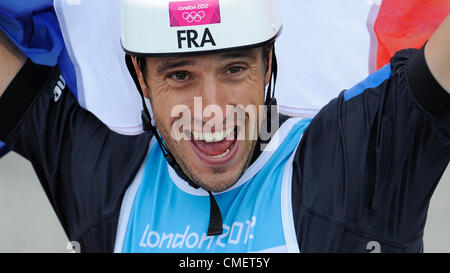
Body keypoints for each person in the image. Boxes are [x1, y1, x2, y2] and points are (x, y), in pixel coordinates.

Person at [0, 0, 449, 253]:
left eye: (234, 70)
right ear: (140, 78)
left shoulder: (357, 158)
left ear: (269, 62)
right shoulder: (103, 172)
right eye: (179, 76)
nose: (211, 110)